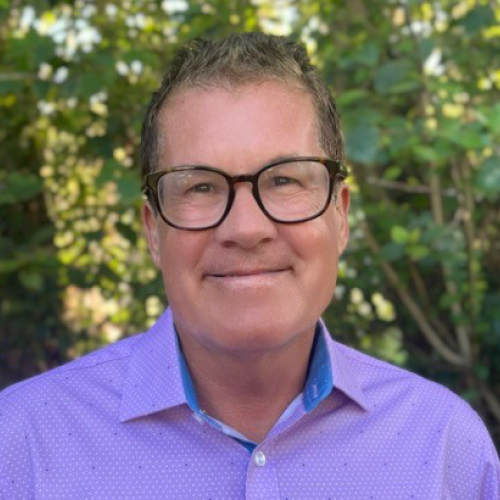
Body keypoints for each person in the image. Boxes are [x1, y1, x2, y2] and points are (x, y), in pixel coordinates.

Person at [0, 32, 498, 500]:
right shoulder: (21, 449)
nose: (245, 228)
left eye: (283, 181)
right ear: (153, 230)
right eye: (200, 186)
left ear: (340, 216)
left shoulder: (444, 450)